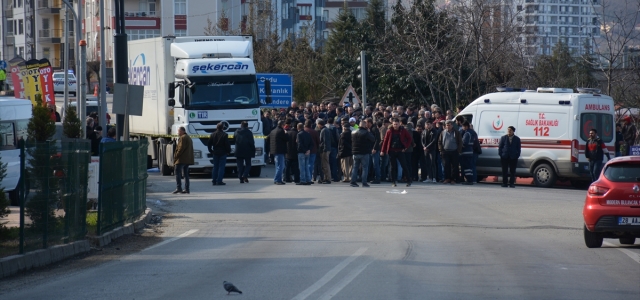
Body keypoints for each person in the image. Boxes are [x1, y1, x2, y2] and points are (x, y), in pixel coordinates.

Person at [380, 118, 413, 187]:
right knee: (392, 167)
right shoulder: (389, 131)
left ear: (399, 124)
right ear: (392, 124)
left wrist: (406, 147)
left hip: (400, 150)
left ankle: (408, 181)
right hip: (391, 151)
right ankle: (393, 181)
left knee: (404, 165)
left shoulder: (403, 130)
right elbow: (385, 141)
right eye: (394, 124)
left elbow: (409, 138)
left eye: (397, 124)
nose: (395, 126)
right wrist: (383, 151)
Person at [350, 120, 375, 187]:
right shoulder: (366, 132)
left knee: (355, 167)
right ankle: (364, 182)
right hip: (364, 152)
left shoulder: (353, 132)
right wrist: (369, 132)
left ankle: (353, 181)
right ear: (365, 125)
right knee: (365, 167)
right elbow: (373, 139)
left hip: (355, 152)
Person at [438, 120, 462, 184]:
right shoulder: (443, 133)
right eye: (447, 125)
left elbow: (460, 142)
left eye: (449, 125)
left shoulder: (456, 132)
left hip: (454, 151)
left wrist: (458, 150)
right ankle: (447, 178)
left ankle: (453, 179)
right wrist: (441, 150)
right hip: (445, 151)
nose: (448, 126)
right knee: (446, 166)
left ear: (452, 125)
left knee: (454, 166)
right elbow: (439, 142)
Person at [266, 120, 288, 185]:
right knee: (281, 166)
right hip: (280, 150)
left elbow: (267, 138)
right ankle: (278, 180)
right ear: (282, 125)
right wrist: (286, 133)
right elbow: (287, 139)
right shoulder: (281, 131)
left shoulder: (273, 131)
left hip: (274, 150)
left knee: (277, 166)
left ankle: (277, 179)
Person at [173, 126, 194, 194]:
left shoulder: (183, 138)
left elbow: (180, 148)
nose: (178, 133)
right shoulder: (188, 137)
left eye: (178, 131)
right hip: (187, 159)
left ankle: (179, 188)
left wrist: (176, 155)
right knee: (185, 174)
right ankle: (187, 189)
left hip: (182, 159)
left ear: (182, 131)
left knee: (177, 172)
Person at [304, 119, 320, 184]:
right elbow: (318, 141)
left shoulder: (303, 131)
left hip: (304, 150)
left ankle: (304, 177)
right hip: (313, 150)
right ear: (311, 124)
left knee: (304, 164)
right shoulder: (314, 132)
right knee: (310, 164)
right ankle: (309, 177)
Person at [317, 119, 332, 184]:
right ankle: (325, 178)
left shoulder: (324, 130)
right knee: (324, 164)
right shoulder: (325, 130)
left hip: (325, 150)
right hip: (325, 149)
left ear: (320, 124)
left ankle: (328, 178)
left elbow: (325, 141)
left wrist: (324, 150)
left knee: (325, 164)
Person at [366, 118, 381, 184]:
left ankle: (378, 178)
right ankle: (369, 177)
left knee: (376, 165)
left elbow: (378, 139)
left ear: (369, 123)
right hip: (370, 149)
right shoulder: (370, 129)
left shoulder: (374, 129)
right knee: (369, 165)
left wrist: (375, 148)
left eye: (366, 122)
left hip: (374, 150)